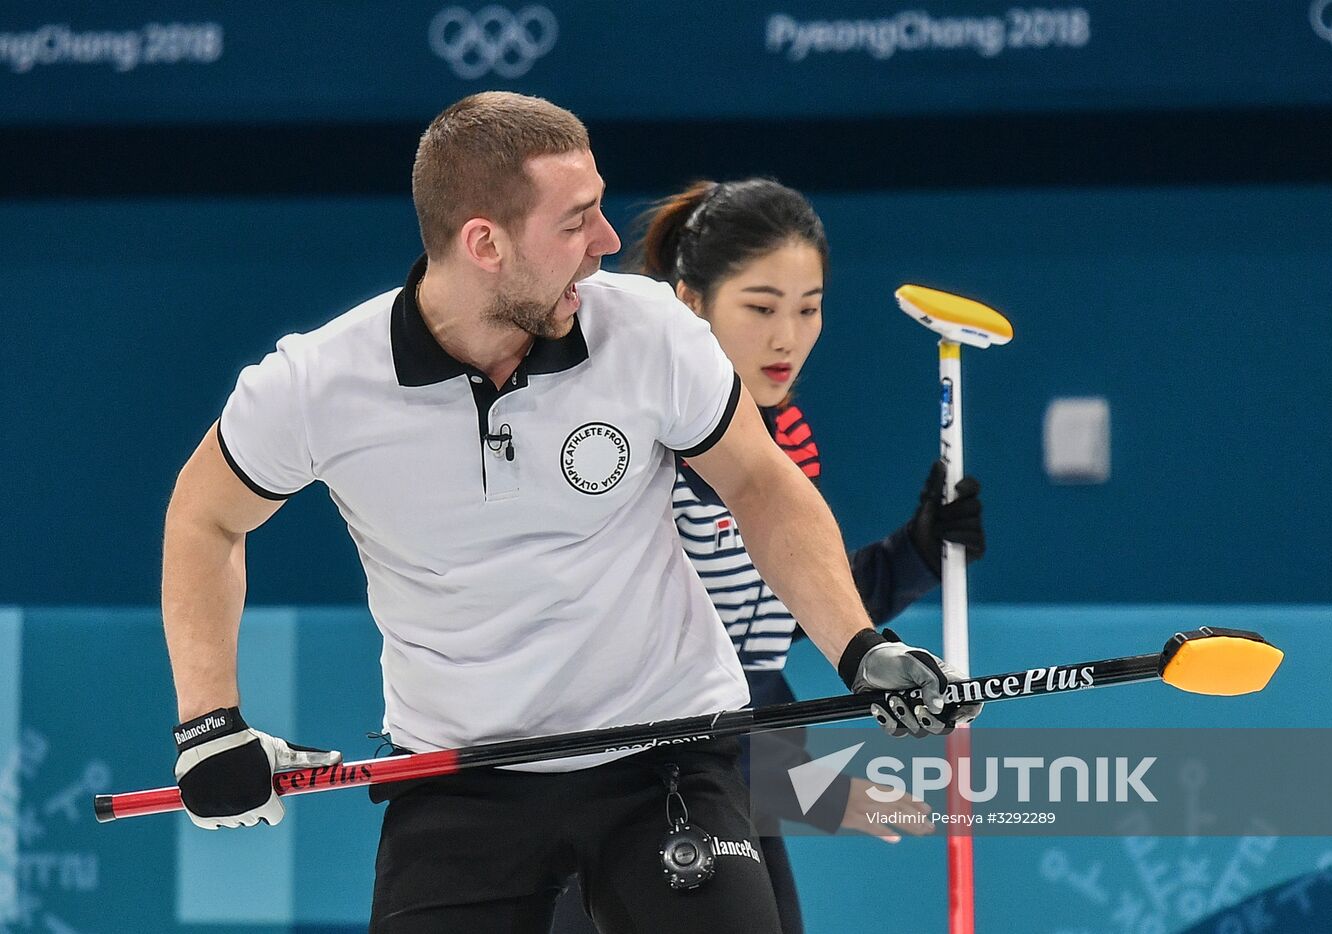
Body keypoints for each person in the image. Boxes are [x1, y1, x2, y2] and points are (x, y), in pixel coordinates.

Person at [160, 92, 977, 934]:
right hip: (457, 780)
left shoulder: (648, 329)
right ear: (485, 243)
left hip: (665, 759)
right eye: (576, 221)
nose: (609, 242)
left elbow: (762, 485)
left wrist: (860, 645)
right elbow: (204, 518)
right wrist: (210, 723)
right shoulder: (316, 383)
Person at [548, 180, 986, 934]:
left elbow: (785, 611)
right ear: (689, 304)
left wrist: (919, 550)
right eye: (760, 307)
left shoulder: (783, 442)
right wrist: (804, 787)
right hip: (629, 802)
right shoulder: (640, 451)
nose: (788, 337)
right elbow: (639, 687)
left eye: (807, 307)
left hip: (736, 784)